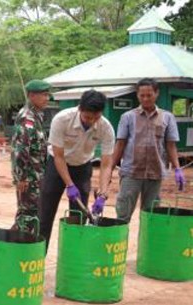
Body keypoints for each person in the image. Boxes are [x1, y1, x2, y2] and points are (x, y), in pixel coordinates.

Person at [101, 78, 186, 221]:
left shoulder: (167, 117)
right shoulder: (127, 117)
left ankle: (147, 243)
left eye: (149, 95)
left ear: (156, 93)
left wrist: (178, 169)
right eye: (142, 96)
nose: (145, 99)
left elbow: (171, 146)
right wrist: (109, 170)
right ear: (137, 95)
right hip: (131, 173)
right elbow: (120, 145)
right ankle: (121, 243)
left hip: (155, 173)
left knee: (151, 215)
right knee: (123, 214)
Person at [41, 90, 115, 251]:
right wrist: (69, 184)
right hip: (57, 165)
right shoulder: (62, 119)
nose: (91, 122)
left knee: (78, 216)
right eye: (88, 117)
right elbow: (59, 156)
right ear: (80, 109)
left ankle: (72, 257)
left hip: (82, 167)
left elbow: (106, 164)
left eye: (96, 118)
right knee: (45, 213)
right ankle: (38, 258)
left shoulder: (106, 127)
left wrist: (103, 193)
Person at [11, 79, 52, 234]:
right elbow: (21, 150)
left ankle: (22, 247)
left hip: (36, 176)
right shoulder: (27, 118)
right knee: (26, 216)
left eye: (48, 95)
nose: (47, 98)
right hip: (28, 178)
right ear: (31, 96)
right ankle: (16, 248)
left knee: (32, 214)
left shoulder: (37, 116)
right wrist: (21, 178)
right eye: (43, 95)